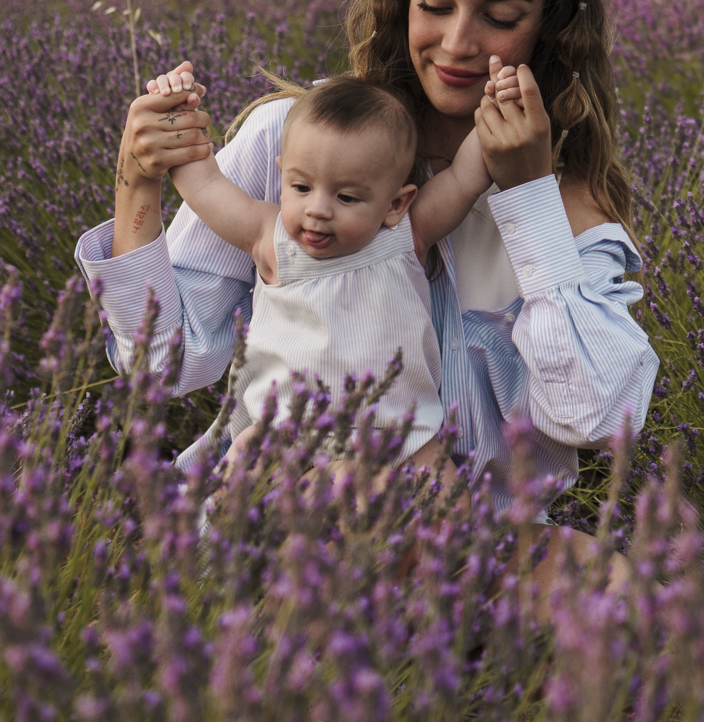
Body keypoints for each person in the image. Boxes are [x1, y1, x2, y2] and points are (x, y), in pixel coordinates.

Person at [76, 0, 658, 527]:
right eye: (433, 4)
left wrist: (528, 196)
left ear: (550, 26)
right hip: (279, 514)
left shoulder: (565, 207)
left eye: (500, 16)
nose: (457, 42)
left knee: (621, 583)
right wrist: (137, 182)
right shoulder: (296, 144)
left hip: (468, 547)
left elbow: (599, 421)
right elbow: (161, 366)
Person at [158, 64, 523, 468]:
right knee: (241, 468)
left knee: (445, 484)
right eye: (301, 187)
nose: (317, 210)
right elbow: (206, 185)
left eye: (346, 197)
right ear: (281, 176)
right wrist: (175, 114)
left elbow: (463, 178)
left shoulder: (404, 237)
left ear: (396, 204)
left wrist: (497, 104)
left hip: (398, 439)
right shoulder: (271, 240)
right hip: (285, 434)